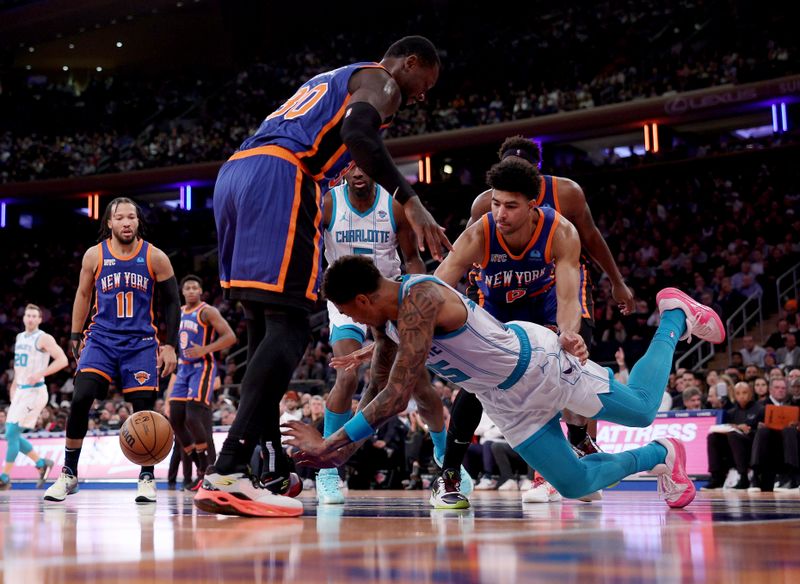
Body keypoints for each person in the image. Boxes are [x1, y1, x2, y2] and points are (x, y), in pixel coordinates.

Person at [197, 36, 451, 518]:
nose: (421, 95)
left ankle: (262, 466)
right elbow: (359, 132)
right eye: (426, 83)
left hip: (236, 174)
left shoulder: (335, 77)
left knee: (264, 327)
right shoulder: (383, 80)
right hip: (282, 176)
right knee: (291, 328)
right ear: (410, 63)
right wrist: (411, 200)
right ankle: (227, 469)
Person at [283, 255, 726, 511]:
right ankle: (663, 454)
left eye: (353, 313)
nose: (356, 322)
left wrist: (331, 441)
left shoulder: (419, 298)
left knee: (644, 408)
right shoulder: (385, 323)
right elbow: (376, 394)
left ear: (362, 299)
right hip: (501, 398)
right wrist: (337, 453)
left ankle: (673, 315)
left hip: (538, 364)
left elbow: (399, 396)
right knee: (573, 484)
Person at [438, 136, 634, 500]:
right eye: (496, 204)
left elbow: (568, 293)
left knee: (568, 361)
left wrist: (570, 332)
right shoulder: (481, 222)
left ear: (533, 201)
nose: (500, 214)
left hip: (545, 296)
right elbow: (437, 285)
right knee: (475, 385)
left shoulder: (562, 224)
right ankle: (448, 472)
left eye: (510, 206)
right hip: (495, 300)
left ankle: (574, 447)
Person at [44, 198, 180, 504]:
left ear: (137, 222)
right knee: (80, 398)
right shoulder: (95, 255)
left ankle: (146, 476)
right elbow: (82, 294)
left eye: (132, 217)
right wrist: (76, 335)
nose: (127, 222)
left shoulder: (155, 256)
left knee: (144, 407)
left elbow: (173, 301)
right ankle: (69, 473)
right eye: (120, 218)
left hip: (140, 342)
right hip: (101, 339)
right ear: (110, 223)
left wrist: (172, 345)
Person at [317, 164, 429, 504]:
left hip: (387, 299)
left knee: (418, 383)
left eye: (366, 165)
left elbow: (412, 258)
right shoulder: (328, 204)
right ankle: (327, 470)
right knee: (347, 374)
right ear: (343, 172)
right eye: (351, 166)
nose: (359, 172)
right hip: (345, 301)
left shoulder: (393, 206)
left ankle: (448, 463)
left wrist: (419, 298)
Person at [168, 275, 236, 490]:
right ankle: (199, 464)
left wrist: (204, 350)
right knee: (176, 418)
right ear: (182, 292)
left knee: (193, 415)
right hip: (183, 368)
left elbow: (230, 337)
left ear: (200, 291)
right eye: (187, 287)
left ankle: (206, 470)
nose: (190, 291)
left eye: (194, 287)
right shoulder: (178, 312)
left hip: (203, 368)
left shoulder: (207, 311)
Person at [0, 304, 68, 490]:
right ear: (23, 318)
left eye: (34, 316)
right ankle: (41, 463)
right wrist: (14, 387)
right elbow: (18, 368)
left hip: (36, 391)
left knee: (12, 432)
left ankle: (4, 478)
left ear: (39, 319)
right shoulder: (20, 337)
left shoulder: (43, 338)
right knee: (10, 433)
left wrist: (40, 374)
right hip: (21, 390)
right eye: (27, 315)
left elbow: (63, 360)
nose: (30, 319)